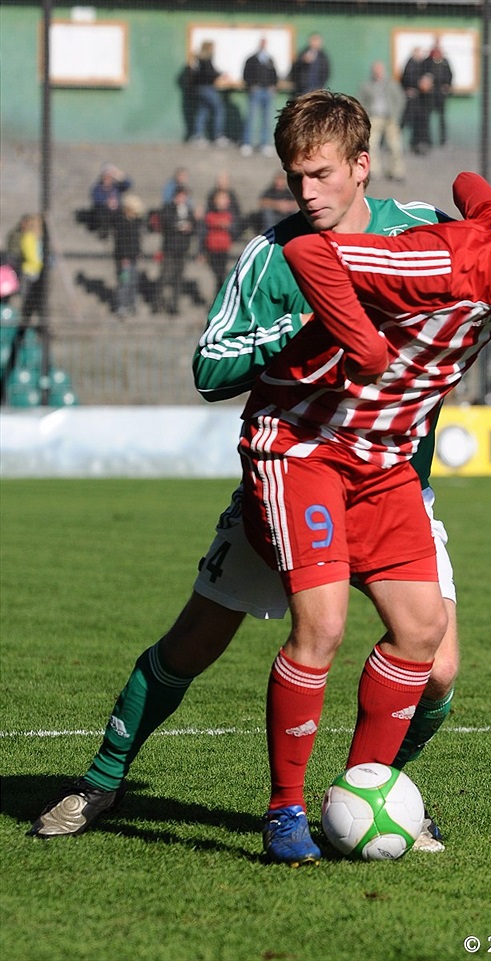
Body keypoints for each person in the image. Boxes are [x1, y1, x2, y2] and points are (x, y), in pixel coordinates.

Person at [27, 92, 458, 856]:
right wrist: (297, 328)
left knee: (438, 667)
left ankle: (380, 791)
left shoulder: (421, 232)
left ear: (363, 165)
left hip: (392, 483)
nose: (306, 193)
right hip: (292, 479)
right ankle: (101, 779)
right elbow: (209, 365)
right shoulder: (271, 257)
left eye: (321, 175)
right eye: (295, 178)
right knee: (196, 640)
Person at [239, 172, 491, 865]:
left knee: (422, 630)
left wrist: (482, 196)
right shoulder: (433, 263)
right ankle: (283, 811)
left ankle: (356, 795)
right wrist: (367, 345)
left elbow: (475, 190)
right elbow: (312, 255)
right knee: (321, 624)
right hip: (306, 443)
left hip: (381, 460)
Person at [358, 61, 406, 182]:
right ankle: (374, 170)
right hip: (374, 118)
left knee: (395, 146)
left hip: (390, 118)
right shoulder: (367, 85)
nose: (378, 73)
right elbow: (361, 101)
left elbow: (400, 99)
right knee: (372, 145)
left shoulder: (391, 84)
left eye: (380, 70)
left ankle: (396, 171)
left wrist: (396, 114)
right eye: (376, 71)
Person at [156, 185, 197, 315]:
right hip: (169, 248)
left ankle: (174, 305)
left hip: (182, 249)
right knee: (165, 276)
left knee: (178, 278)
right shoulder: (168, 208)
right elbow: (165, 222)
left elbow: (194, 227)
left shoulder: (188, 210)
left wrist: (189, 227)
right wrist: (178, 226)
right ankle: (158, 303)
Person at [189, 41, 231, 147]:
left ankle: (197, 136)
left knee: (203, 111)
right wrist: (220, 74)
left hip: (200, 88)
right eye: (213, 47)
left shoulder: (198, 59)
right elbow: (208, 73)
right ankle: (218, 135)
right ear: (208, 48)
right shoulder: (205, 59)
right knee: (219, 109)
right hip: (206, 88)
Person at [241, 38, 278, 158]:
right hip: (256, 92)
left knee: (267, 119)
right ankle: (247, 143)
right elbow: (245, 74)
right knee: (251, 117)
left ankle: (264, 144)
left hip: (267, 92)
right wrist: (251, 85)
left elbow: (275, 75)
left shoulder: (270, 59)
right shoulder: (251, 59)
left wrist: (273, 85)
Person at [112, 193, 144, 318]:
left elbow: (137, 240)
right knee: (124, 282)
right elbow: (120, 242)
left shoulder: (135, 222)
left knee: (133, 282)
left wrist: (138, 252)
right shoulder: (121, 222)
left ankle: (132, 304)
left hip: (133, 257)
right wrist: (123, 257)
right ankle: (121, 305)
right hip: (124, 258)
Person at [203, 189, 235, 297]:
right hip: (213, 249)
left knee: (222, 275)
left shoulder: (230, 215)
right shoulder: (210, 214)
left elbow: (235, 228)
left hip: (224, 248)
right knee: (217, 275)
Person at [421, 42, 452, 146]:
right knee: (427, 117)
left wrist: (447, 85)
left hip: (441, 95)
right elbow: (423, 76)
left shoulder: (445, 62)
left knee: (442, 118)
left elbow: (450, 75)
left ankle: (443, 140)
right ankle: (427, 140)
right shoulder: (427, 62)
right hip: (430, 95)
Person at [90, 163, 133, 240]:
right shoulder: (98, 188)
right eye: (106, 175)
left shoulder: (116, 187)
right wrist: (107, 203)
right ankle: (104, 233)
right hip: (104, 212)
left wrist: (119, 175)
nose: (108, 178)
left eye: (110, 176)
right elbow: (96, 199)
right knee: (104, 213)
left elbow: (129, 184)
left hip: (117, 211)